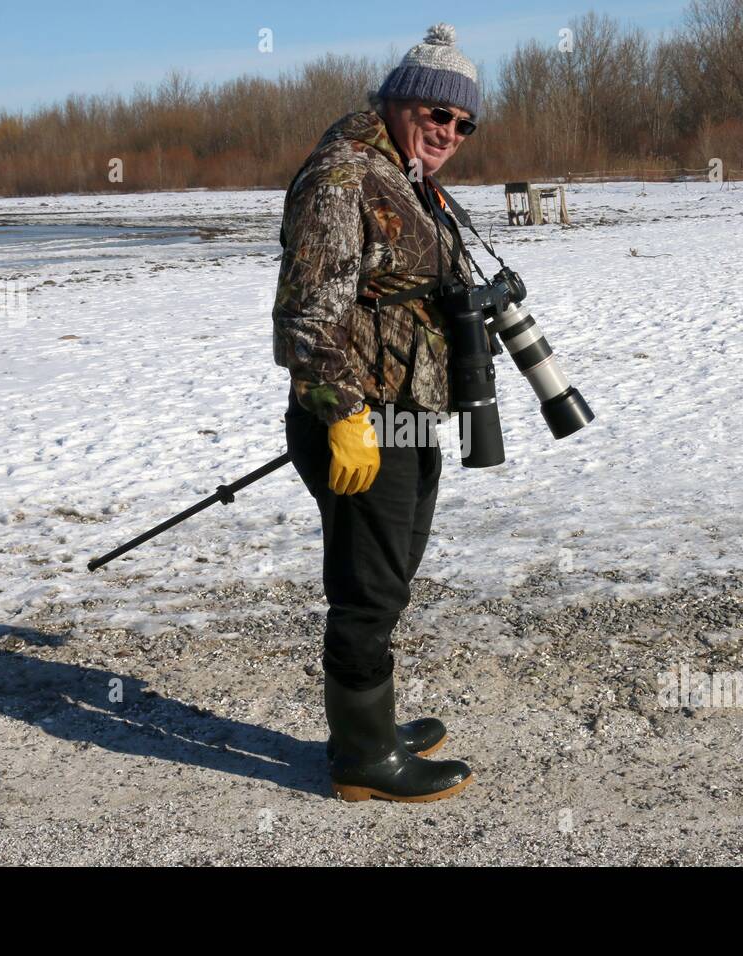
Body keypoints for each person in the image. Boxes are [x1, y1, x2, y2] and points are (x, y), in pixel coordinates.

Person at [272, 23, 481, 802]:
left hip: (405, 413)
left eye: (463, 123)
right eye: (436, 113)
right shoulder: (343, 174)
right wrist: (339, 414)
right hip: (358, 420)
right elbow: (306, 311)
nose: (449, 132)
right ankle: (362, 760)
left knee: (389, 575)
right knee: (367, 588)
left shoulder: (408, 176)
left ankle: (372, 725)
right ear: (396, 101)